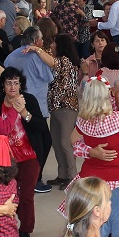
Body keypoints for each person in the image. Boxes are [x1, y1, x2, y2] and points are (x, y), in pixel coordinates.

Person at [0, 67, 49, 237]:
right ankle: (7, 227)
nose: (12, 87)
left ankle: (25, 231)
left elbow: (41, 127)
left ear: (21, 85)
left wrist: (24, 113)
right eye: (9, 83)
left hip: (29, 156)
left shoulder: (29, 100)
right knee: (7, 195)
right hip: (5, 158)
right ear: (3, 85)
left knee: (25, 196)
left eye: (16, 83)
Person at [75, 78, 119, 190]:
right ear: (108, 95)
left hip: (88, 179)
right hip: (117, 179)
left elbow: (73, 141)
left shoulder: (83, 120)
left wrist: (90, 151)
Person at [46, 33, 82, 186]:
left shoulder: (65, 61)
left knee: (65, 142)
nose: (51, 46)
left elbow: (52, 63)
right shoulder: (63, 62)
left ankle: (72, 176)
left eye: (54, 43)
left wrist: (37, 49)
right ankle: (62, 174)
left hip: (66, 107)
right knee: (56, 141)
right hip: (56, 107)